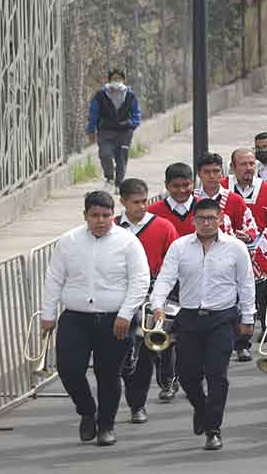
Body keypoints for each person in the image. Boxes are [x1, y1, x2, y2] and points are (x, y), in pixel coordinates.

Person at [42, 190, 149, 446]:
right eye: (95, 215)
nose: (100, 220)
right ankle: (87, 411)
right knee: (69, 369)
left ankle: (106, 426)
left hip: (115, 319)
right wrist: (48, 314)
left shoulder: (127, 242)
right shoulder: (68, 241)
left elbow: (140, 280)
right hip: (76, 318)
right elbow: (54, 278)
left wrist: (125, 314)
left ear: (113, 215)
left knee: (108, 374)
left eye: (106, 215)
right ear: (85, 216)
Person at [150, 198, 256, 451]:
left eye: (211, 218)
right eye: (201, 219)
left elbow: (246, 283)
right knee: (188, 375)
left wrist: (248, 317)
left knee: (217, 373)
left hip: (222, 317)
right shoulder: (180, 247)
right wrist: (157, 304)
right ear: (193, 221)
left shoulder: (236, 247)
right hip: (189, 318)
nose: (206, 223)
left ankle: (214, 429)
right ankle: (201, 408)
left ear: (220, 220)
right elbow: (165, 278)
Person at [116, 179, 181, 422]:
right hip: (121, 298)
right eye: (136, 202)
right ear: (123, 202)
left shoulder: (163, 227)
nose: (142, 207)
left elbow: (174, 265)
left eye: (145, 201)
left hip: (154, 297)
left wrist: (165, 302)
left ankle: (137, 405)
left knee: (147, 354)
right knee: (124, 354)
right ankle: (130, 385)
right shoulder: (113, 229)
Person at [86, 69, 141, 191]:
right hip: (106, 131)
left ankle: (119, 183)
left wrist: (130, 124)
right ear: (109, 80)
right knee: (105, 154)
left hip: (124, 132)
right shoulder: (101, 95)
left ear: (123, 80)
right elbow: (93, 113)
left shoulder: (130, 95)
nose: (116, 81)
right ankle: (109, 178)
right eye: (114, 79)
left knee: (121, 157)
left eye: (119, 79)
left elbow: (136, 114)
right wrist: (91, 130)